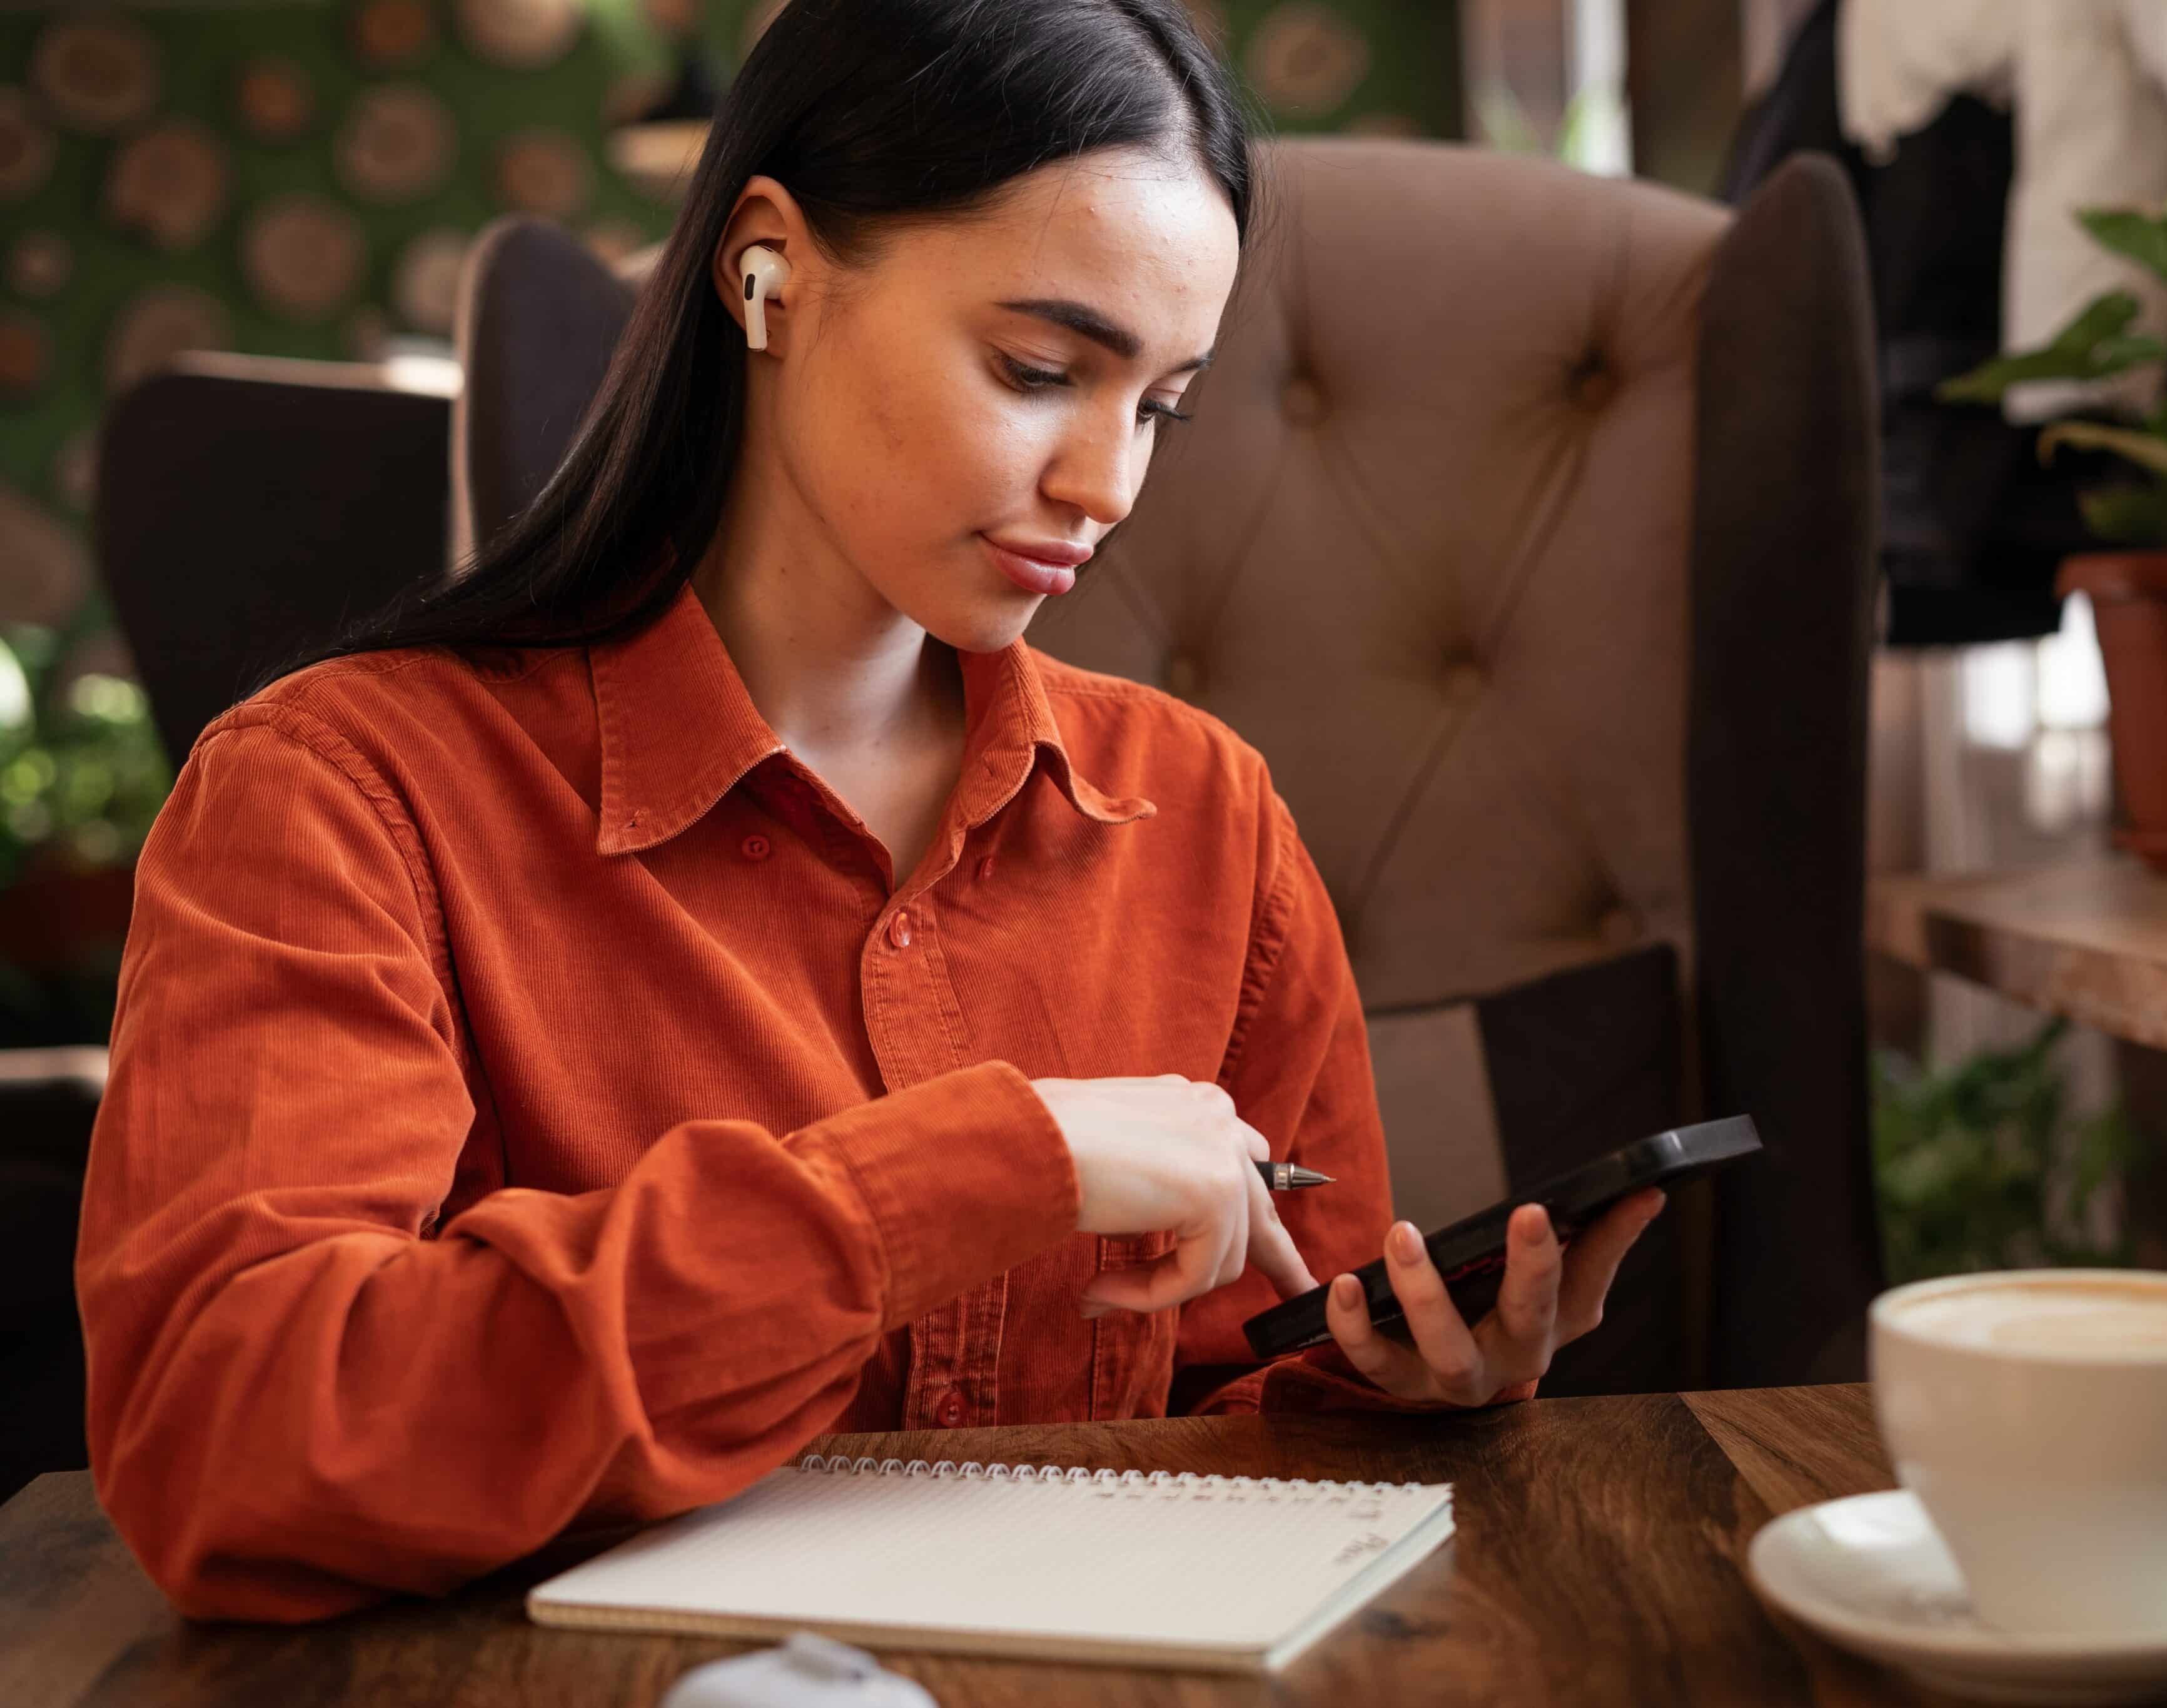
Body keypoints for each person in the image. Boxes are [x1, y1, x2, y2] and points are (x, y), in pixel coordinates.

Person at [74, 0, 1666, 1623]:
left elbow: (1226, 1406)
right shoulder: (344, 797)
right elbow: (227, 1448)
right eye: (1042, 369)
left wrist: (1393, 1385)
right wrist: (968, 1173)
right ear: (768, 267)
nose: (1109, 484)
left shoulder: (1206, 820)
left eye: (1161, 404)